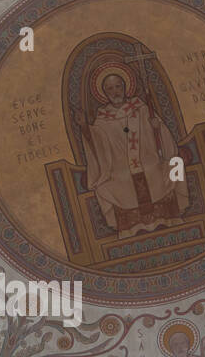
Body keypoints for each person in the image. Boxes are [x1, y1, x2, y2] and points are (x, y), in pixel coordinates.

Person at [73, 66, 189, 238]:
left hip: (149, 159)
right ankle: (130, 229)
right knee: (112, 183)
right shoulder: (102, 118)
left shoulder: (140, 108)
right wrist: (84, 126)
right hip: (118, 167)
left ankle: (168, 219)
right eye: (110, 88)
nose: (115, 91)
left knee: (166, 167)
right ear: (104, 92)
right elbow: (97, 144)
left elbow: (160, 134)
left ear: (125, 86)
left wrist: (156, 127)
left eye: (118, 86)